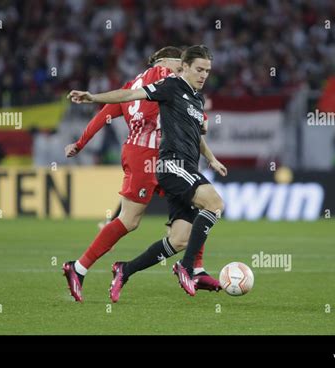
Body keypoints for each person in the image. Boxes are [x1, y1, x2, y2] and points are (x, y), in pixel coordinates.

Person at [63, 46, 222, 302]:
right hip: (148, 154)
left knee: (190, 214)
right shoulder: (161, 74)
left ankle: (195, 268)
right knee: (131, 220)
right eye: (179, 63)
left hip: (158, 156)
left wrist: (80, 143)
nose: (182, 67)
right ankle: (80, 267)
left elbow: (104, 116)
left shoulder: (141, 85)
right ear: (165, 62)